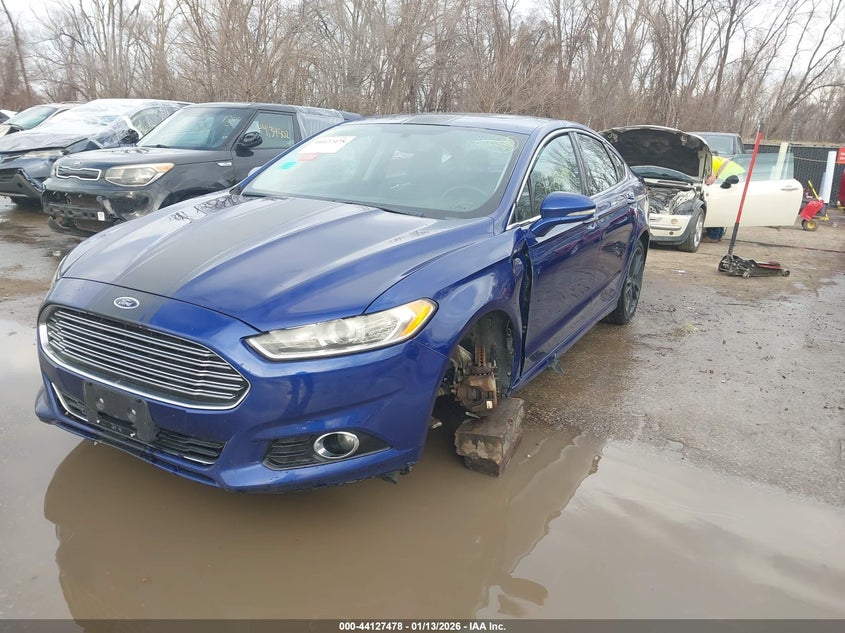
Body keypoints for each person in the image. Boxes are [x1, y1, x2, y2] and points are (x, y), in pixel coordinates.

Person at [703, 156, 746, 242]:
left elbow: (710, 180)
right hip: (735, 177)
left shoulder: (705, 161)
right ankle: (718, 234)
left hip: (731, 177)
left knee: (716, 207)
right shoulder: (707, 158)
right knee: (722, 207)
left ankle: (713, 236)